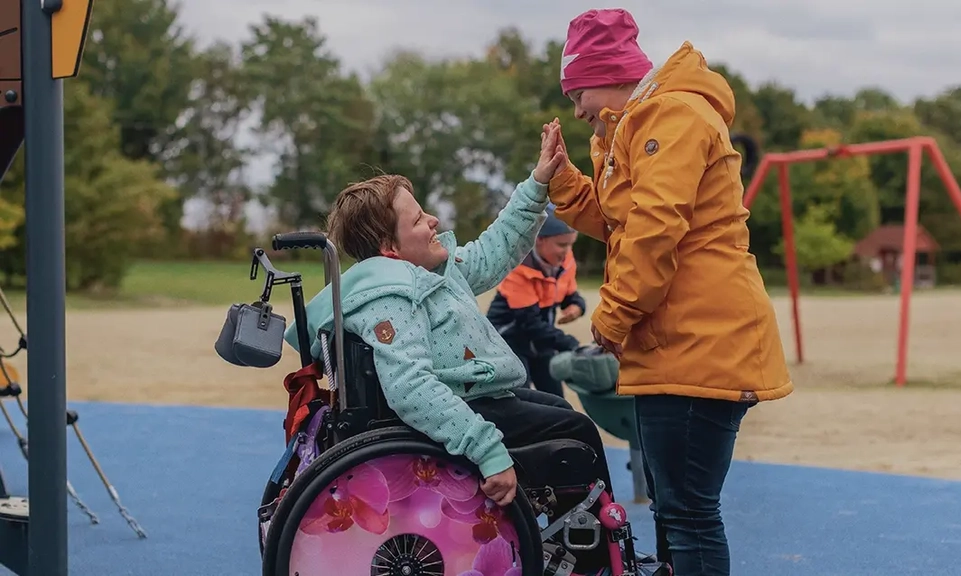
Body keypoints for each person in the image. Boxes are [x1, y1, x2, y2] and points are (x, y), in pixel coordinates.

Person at [542, 8, 794, 575]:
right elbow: (618, 222)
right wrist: (560, 177)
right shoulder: (637, 124)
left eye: (576, 90)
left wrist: (613, 318)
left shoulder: (671, 116)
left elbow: (656, 229)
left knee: (689, 513)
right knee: (675, 509)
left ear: (604, 73)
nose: (576, 108)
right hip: (679, 341)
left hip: (701, 339)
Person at [282, 127, 613, 515]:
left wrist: (538, 181)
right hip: (461, 407)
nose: (435, 220)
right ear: (390, 249)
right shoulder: (392, 297)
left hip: (477, 394)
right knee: (578, 432)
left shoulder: (431, 274)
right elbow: (411, 387)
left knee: (561, 410)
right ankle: (598, 554)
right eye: (420, 219)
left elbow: (494, 251)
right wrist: (487, 450)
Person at [485, 204, 587, 398]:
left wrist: (577, 306)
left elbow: (568, 294)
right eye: (562, 245)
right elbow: (529, 323)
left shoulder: (565, 261)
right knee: (523, 400)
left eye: (570, 244)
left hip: (541, 342)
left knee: (556, 400)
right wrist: (570, 343)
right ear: (539, 240)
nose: (567, 251)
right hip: (511, 342)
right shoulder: (518, 266)